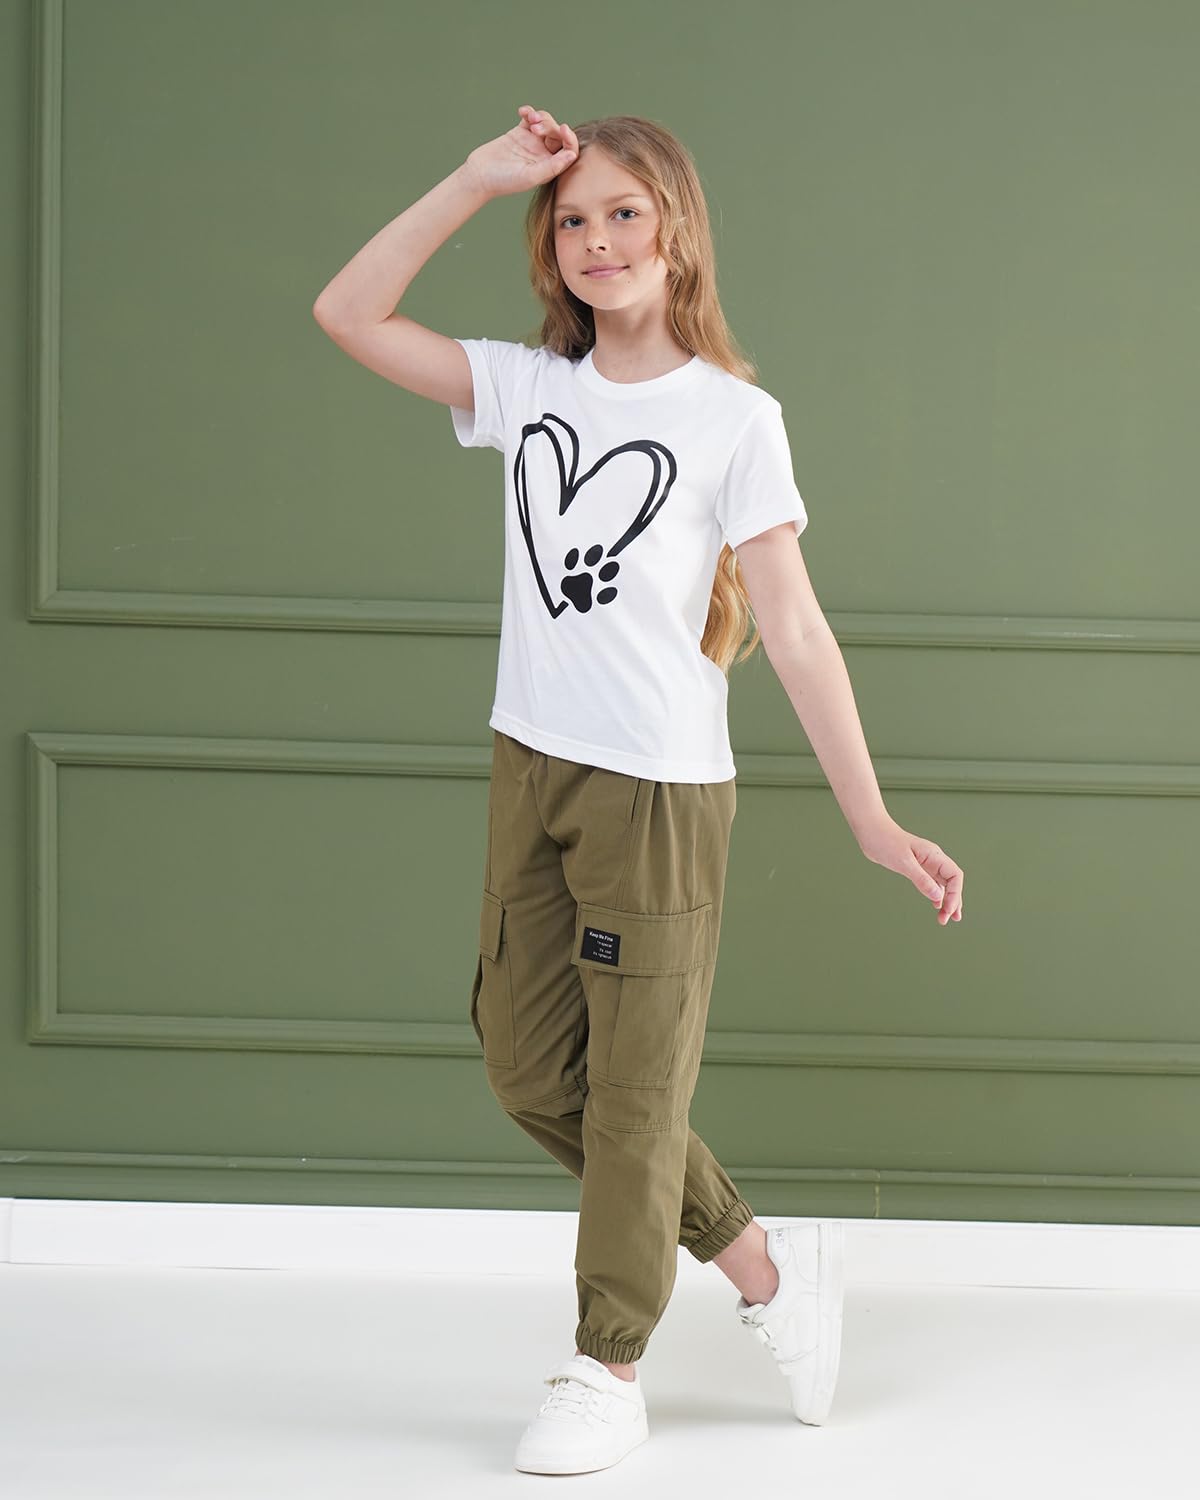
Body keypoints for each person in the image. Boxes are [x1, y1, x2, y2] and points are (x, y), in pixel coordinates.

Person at [313, 105, 965, 1476]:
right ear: (549, 246)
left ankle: (606, 1365)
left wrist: (869, 816)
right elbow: (349, 311)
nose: (598, 239)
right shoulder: (529, 390)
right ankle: (767, 1268)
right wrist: (479, 176)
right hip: (531, 764)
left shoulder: (734, 420)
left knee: (631, 1093)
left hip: (658, 795)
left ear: (677, 235)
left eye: (624, 213)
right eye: (572, 219)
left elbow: (793, 626)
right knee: (527, 1067)